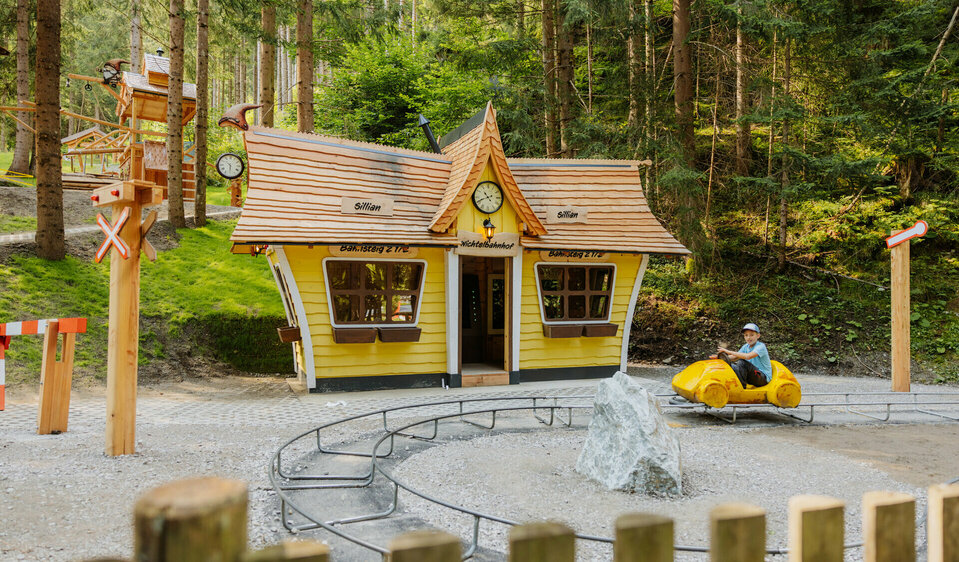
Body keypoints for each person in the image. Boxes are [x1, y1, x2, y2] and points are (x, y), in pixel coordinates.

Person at [710, 323, 772, 388]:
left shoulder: (761, 346)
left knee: (742, 362)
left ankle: (741, 387)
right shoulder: (745, 346)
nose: (748, 337)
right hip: (751, 375)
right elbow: (734, 357)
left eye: (751, 335)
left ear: (758, 336)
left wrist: (728, 352)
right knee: (732, 366)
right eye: (746, 335)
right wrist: (720, 358)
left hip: (763, 378)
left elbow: (748, 356)